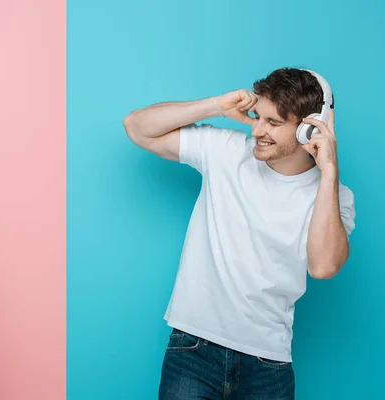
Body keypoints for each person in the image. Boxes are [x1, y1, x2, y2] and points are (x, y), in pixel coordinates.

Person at [123, 68, 355, 399]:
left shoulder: (334, 197)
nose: (258, 129)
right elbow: (136, 127)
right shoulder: (226, 150)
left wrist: (329, 172)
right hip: (193, 349)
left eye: (274, 123)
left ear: (308, 128)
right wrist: (215, 105)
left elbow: (323, 266)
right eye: (257, 117)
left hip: (268, 365)